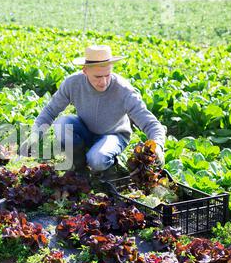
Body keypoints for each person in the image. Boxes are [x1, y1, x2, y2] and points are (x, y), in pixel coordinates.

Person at [21, 44, 166, 178]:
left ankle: (109, 169)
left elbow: (151, 123)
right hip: (85, 129)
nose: (103, 82)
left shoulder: (124, 91)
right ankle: (79, 167)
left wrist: (158, 145)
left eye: (107, 75)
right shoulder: (73, 83)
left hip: (113, 135)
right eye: (97, 77)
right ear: (85, 71)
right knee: (62, 123)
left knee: (97, 159)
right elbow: (50, 111)